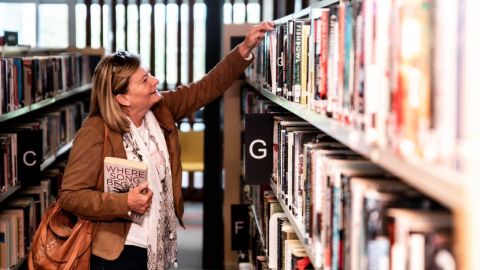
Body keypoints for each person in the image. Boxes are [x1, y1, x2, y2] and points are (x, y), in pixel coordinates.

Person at [59, 20, 275, 270]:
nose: (155, 80)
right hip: (118, 255)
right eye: (144, 79)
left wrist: (245, 48)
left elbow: (206, 87)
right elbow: (71, 196)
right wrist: (124, 203)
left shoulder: (161, 110)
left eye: (149, 73)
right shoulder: (96, 131)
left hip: (158, 245)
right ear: (123, 98)